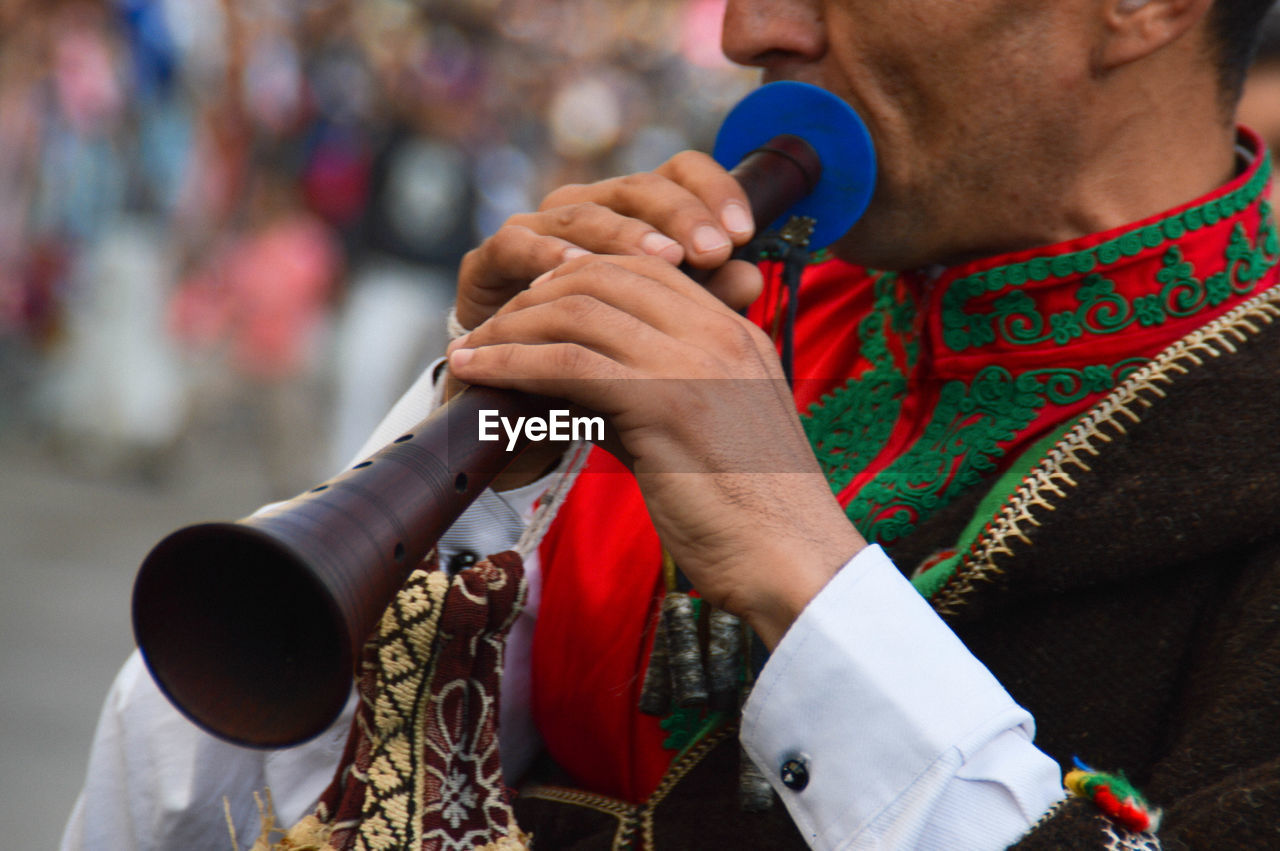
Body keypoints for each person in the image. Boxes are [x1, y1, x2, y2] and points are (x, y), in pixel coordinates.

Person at [63, 0, 1280, 848]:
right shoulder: (744, 322)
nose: (750, 29)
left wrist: (808, 587)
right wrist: (468, 461)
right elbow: (184, 799)